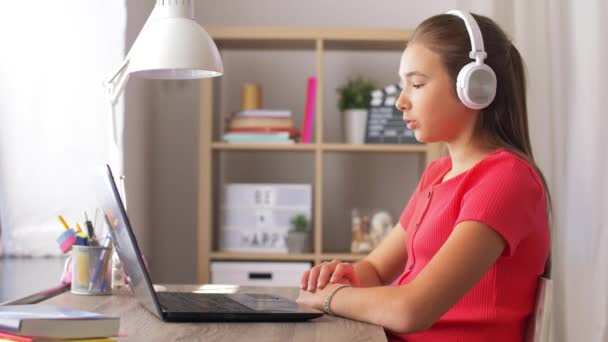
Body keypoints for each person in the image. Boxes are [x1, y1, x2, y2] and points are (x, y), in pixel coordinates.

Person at [296, 10, 551, 342]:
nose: (401, 101)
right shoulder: (438, 173)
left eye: (416, 84)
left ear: (475, 88)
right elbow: (375, 270)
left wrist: (329, 299)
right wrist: (343, 277)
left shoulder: (507, 180)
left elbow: (412, 310)